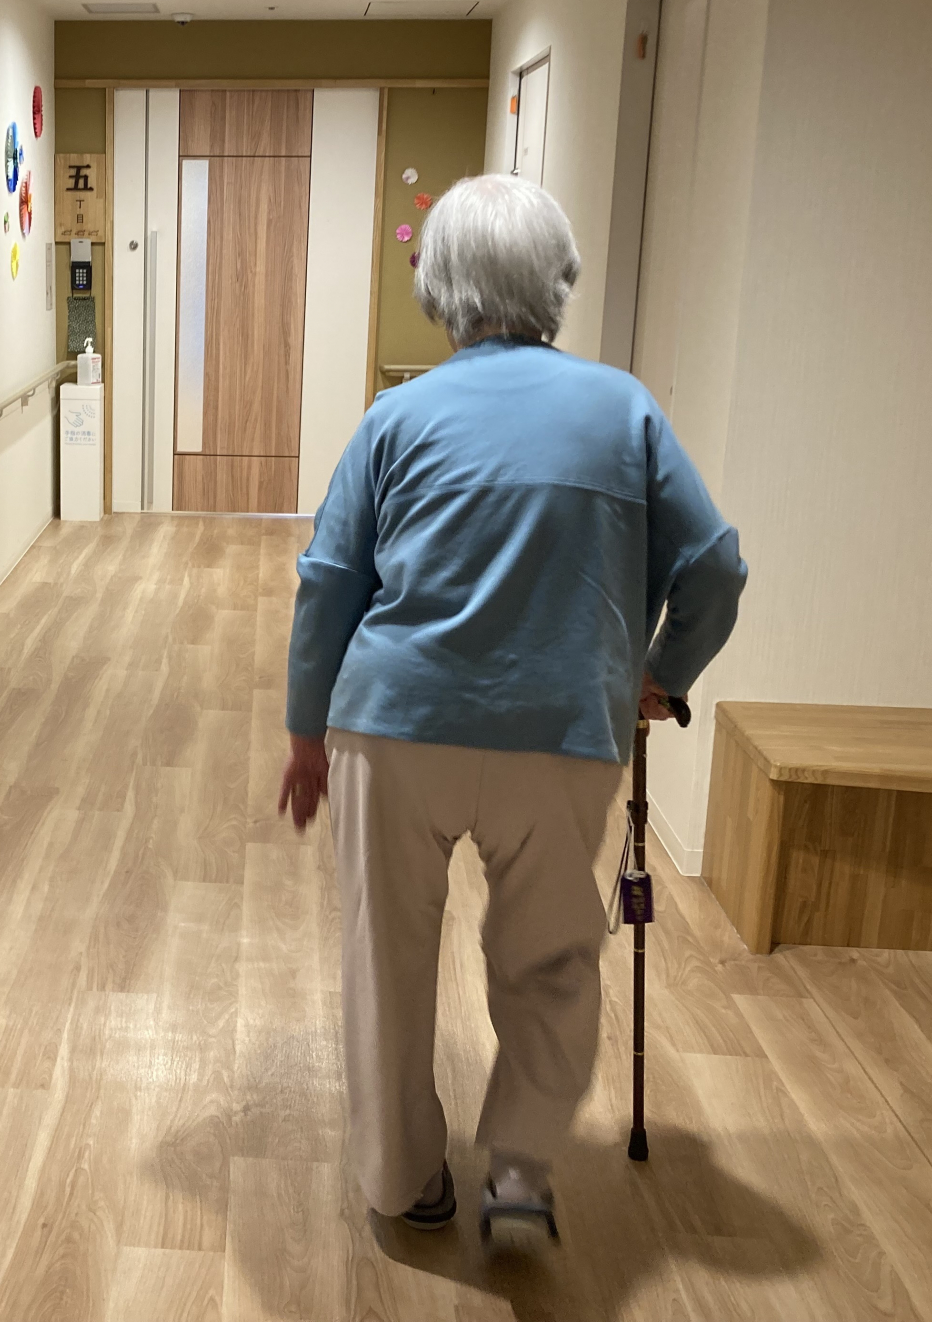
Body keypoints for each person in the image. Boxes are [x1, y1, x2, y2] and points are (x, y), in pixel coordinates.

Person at [277, 172, 745, 1249]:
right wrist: (662, 674)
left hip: (395, 730)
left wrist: (307, 732)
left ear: (439, 288)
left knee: (387, 961)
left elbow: (328, 580)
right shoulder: (624, 410)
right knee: (549, 959)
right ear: (558, 282)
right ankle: (522, 1176)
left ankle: (402, 1180)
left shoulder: (395, 417)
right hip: (561, 734)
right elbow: (715, 566)